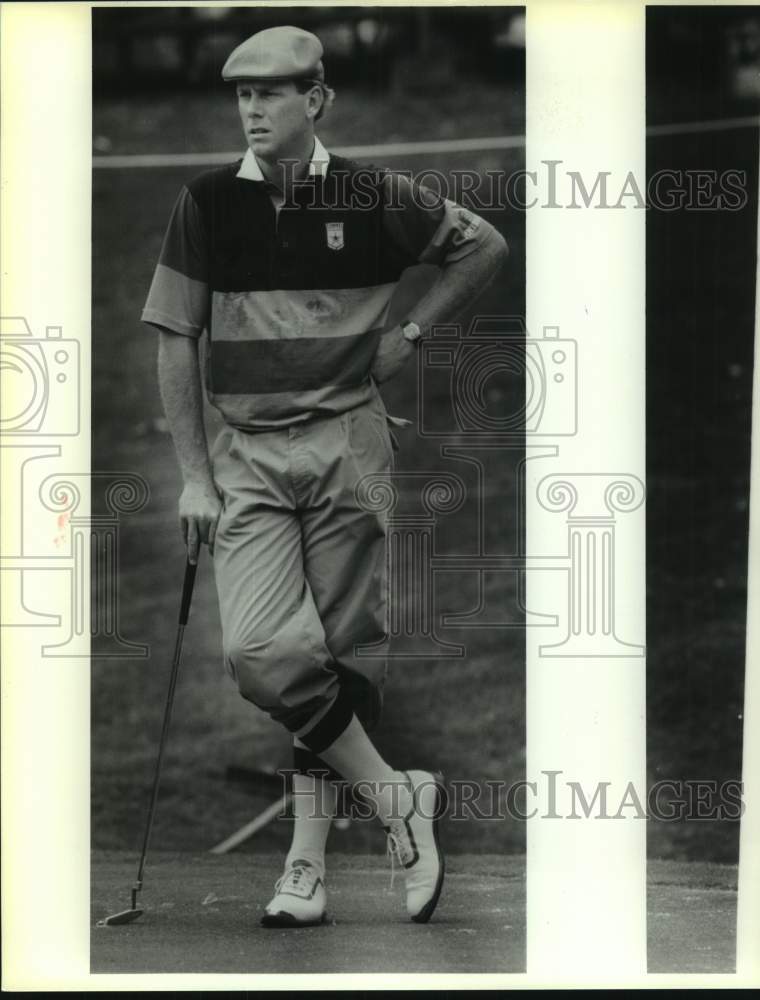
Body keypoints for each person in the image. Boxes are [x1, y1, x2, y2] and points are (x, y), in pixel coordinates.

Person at [142, 25, 508, 927]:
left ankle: (304, 869)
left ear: (316, 100)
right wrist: (194, 476)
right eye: (242, 95)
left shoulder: (371, 194)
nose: (253, 110)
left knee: (340, 653)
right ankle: (396, 798)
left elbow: (484, 246)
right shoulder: (206, 203)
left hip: (350, 443)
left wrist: (409, 335)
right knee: (262, 652)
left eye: (271, 93)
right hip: (248, 457)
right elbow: (174, 338)